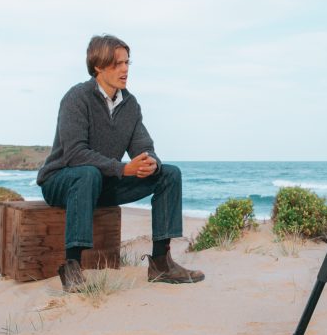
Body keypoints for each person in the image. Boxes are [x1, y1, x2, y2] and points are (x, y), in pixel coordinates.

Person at [37, 34, 204, 290]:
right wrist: (123, 168)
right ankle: (72, 266)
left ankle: (161, 263)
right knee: (87, 173)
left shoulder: (130, 104)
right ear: (98, 66)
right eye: (117, 64)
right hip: (62, 180)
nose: (125, 69)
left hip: (102, 183)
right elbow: (75, 154)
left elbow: (145, 147)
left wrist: (151, 163)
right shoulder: (76, 98)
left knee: (169, 173)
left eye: (127, 62)